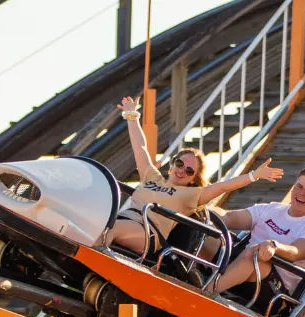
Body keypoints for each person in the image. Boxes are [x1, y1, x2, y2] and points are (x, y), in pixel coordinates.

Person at [106, 96, 283, 254]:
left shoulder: (191, 194)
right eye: (180, 164)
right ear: (173, 164)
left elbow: (223, 186)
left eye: (189, 170)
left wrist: (254, 175)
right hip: (124, 217)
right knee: (99, 218)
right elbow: (140, 148)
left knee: (110, 229)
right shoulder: (152, 177)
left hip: (147, 232)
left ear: (194, 179)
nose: (182, 170)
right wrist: (132, 115)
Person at [208, 166, 305, 316]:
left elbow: (297, 251)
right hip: (240, 266)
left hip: (273, 292)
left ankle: (205, 291)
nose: (302, 193)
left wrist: (274, 246)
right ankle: (187, 274)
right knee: (208, 231)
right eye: (299, 186)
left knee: (255, 254)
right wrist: (205, 211)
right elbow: (229, 217)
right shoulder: (272, 209)